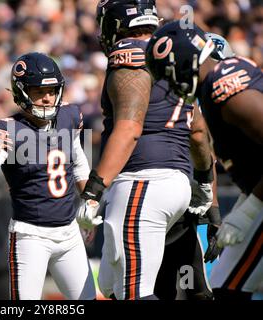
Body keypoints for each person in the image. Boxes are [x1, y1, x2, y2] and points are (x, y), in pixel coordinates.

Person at [76, 0, 214, 300]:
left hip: (143, 183)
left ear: (112, 24)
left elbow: (129, 128)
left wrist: (92, 193)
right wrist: (205, 185)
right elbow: (199, 132)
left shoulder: (129, 52)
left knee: (134, 294)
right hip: (179, 184)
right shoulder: (175, 51)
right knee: (116, 288)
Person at [145, 20, 263, 300]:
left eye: (167, 74)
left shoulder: (223, 88)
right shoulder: (212, 87)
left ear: (183, 63)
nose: (169, 86)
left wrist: (249, 210)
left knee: (228, 286)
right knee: (228, 283)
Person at [0, 52, 96, 300]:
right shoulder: (8, 128)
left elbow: (79, 163)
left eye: (51, 90)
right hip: (31, 235)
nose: (47, 97)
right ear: (22, 93)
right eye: (39, 91)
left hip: (69, 231)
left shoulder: (68, 116)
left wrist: (90, 201)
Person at [155, 32, 236, 300]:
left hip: (178, 200)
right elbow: (203, 153)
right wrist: (212, 212)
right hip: (184, 201)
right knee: (194, 287)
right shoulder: (189, 96)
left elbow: (206, 156)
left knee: (186, 285)